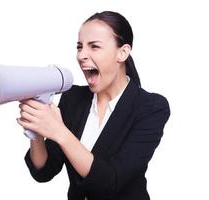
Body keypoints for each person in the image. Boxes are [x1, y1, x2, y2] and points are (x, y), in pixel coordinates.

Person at [17, 11, 170, 200]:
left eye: (94, 47)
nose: (81, 55)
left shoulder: (151, 107)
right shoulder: (72, 98)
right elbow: (44, 172)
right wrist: (37, 129)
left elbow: (111, 181)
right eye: (79, 47)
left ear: (122, 52)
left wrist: (59, 131)